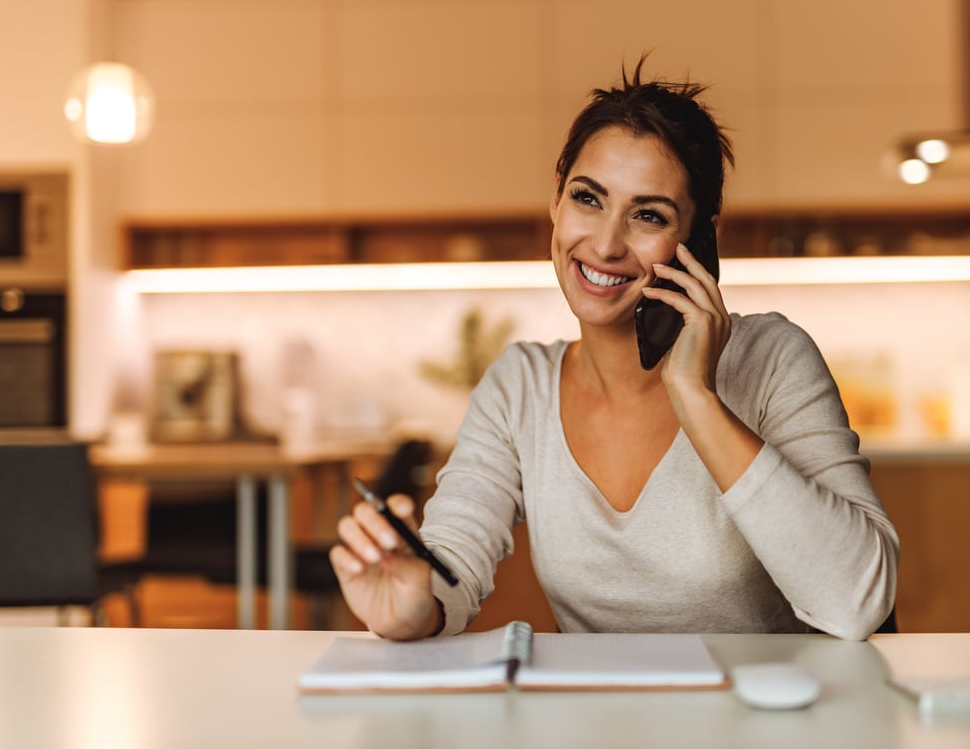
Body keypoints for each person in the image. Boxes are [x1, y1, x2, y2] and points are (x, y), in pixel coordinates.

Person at [331, 58, 899, 641]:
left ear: (699, 238)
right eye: (588, 198)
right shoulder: (519, 387)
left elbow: (856, 601)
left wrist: (696, 396)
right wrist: (411, 608)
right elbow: (452, 564)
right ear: (556, 200)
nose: (605, 243)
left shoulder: (773, 359)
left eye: (648, 215)